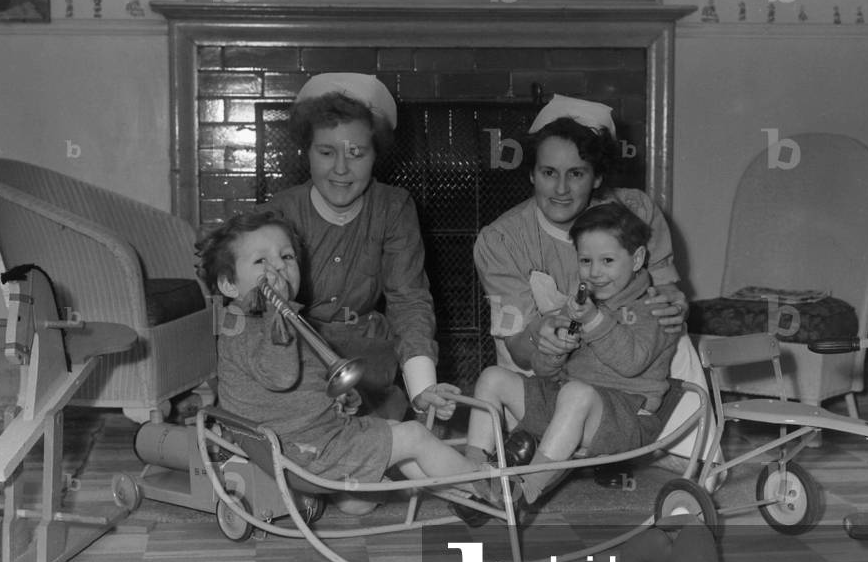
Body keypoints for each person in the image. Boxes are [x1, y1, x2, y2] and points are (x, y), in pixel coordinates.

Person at [196, 210, 490, 509]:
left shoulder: (262, 322)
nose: (278, 269)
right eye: (261, 261)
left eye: (286, 257)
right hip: (302, 451)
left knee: (364, 494)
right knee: (412, 435)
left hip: (308, 438)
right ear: (229, 285)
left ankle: (462, 497)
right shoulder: (254, 326)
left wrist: (338, 396)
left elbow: (299, 380)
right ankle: (490, 487)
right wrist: (278, 311)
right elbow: (281, 376)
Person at [472, 94, 698, 484]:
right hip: (545, 362)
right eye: (548, 173)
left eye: (576, 173)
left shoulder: (636, 212)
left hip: (630, 366)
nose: (560, 188)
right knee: (513, 379)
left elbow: (669, 291)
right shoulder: (501, 239)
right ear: (531, 174)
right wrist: (543, 338)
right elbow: (518, 349)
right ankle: (477, 469)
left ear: (596, 177)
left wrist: (675, 305)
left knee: (672, 334)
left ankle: (682, 449)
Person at [464, 202, 681, 517]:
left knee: (576, 393)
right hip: (565, 405)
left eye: (607, 260)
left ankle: (525, 490)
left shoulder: (657, 308)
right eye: (585, 260)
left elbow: (631, 362)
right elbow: (544, 371)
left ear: (636, 259)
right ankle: (474, 474)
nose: (595, 272)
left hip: (624, 419)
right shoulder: (580, 305)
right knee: (493, 377)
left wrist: (593, 321)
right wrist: (553, 351)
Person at [264, 73, 457, 423]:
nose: (341, 169)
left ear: (375, 154)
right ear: (306, 151)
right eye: (326, 152)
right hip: (295, 361)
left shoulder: (394, 207)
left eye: (356, 153)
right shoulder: (278, 213)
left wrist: (423, 388)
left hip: (367, 363)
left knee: (388, 437)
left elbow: (408, 298)